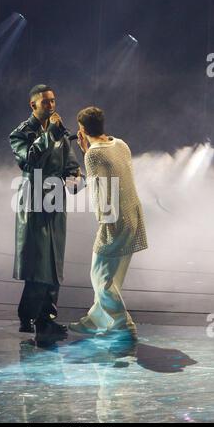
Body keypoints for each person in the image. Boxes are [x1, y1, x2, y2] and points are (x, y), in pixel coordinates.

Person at [69, 106, 148, 340]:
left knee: (100, 277)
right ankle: (96, 320)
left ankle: (123, 324)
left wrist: (104, 223)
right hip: (134, 215)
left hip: (116, 220)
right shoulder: (121, 144)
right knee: (113, 277)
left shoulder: (93, 154)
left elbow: (98, 189)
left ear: (81, 129)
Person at [9, 84, 81, 339]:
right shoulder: (21, 133)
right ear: (33, 105)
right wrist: (49, 134)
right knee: (38, 262)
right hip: (34, 200)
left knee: (53, 262)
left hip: (55, 200)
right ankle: (34, 316)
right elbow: (29, 159)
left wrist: (74, 179)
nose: (51, 106)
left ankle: (42, 317)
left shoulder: (60, 134)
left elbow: (71, 166)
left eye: (53, 101)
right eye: (46, 102)